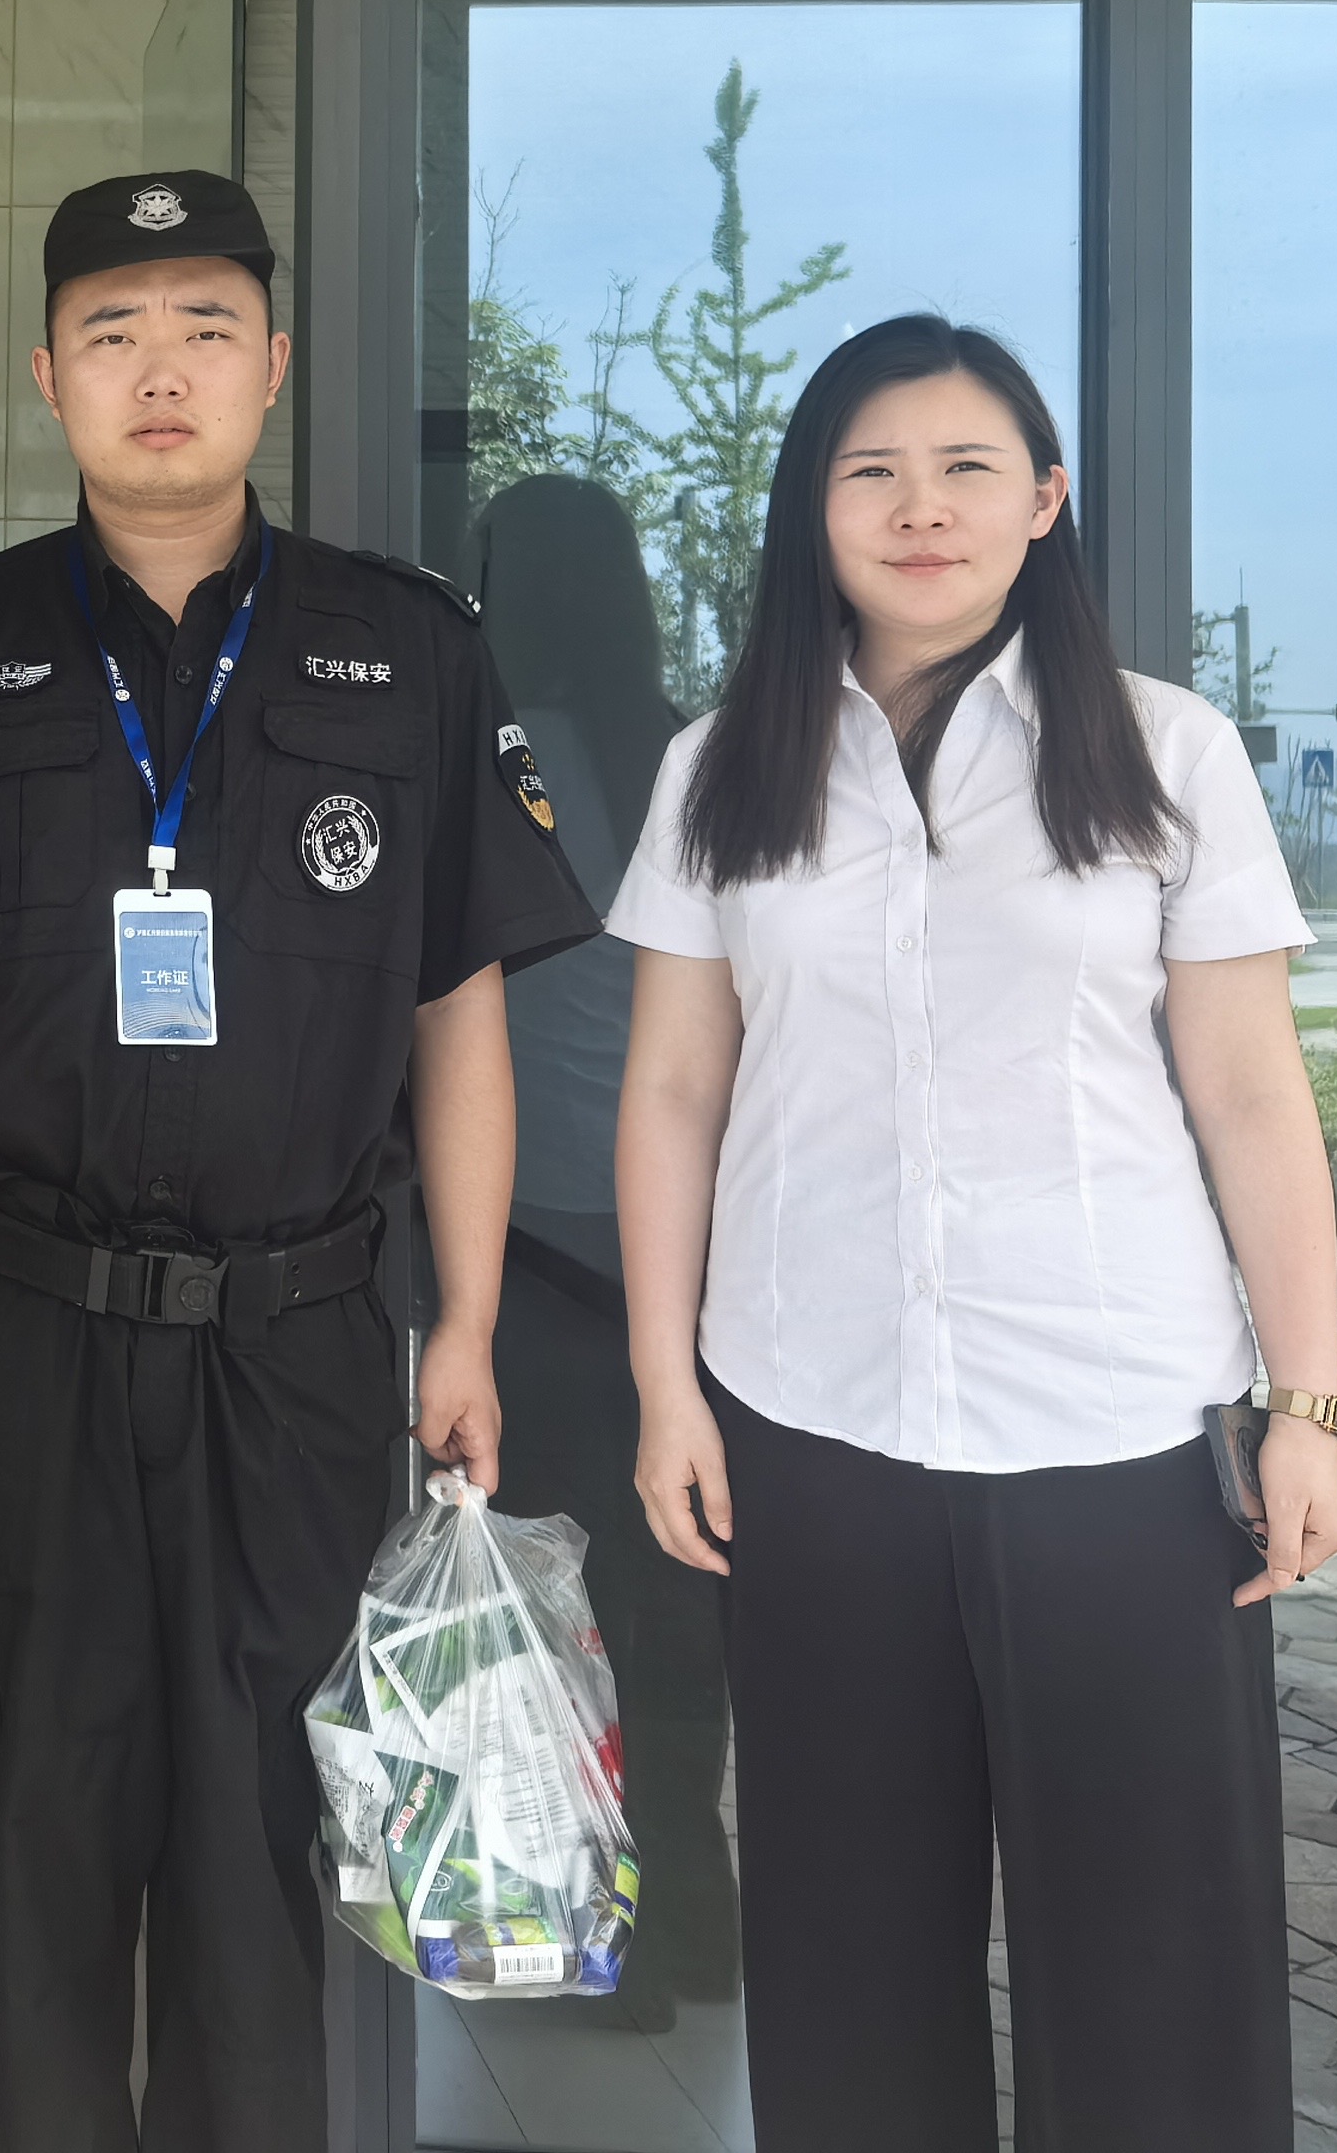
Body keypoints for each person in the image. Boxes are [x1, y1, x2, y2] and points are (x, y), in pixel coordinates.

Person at [0, 170, 594, 2148]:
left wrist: (464, 1323)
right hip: (20, 1323)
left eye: (204, 328)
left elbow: (456, 1016)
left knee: (259, 1831)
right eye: (114, 332)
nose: (160, 371)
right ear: (46, 372)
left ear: (273, 365)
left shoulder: (404, 651)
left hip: (296, 1338)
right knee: (41, 1821)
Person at [613, 313, 1337, 2153]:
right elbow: (676, 1093)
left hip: (1122, 1440)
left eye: (963, 469)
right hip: (814, 1424)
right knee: (847, 1966)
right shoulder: (722, 766)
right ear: (811, 509)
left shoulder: (1164, 749)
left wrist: (1310, 1401)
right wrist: (666, 1387)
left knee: (1156, 1976)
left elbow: (1252, 1091)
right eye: (870, 471)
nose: (918, 509)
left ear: (1044, 500)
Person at [465, 474, 734, 2026]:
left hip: (543, 1238)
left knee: (554, 1602)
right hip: (690, 1251)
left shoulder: (511, 764)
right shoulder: (686, 757)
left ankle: (596, 1943)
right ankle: (697, 1916)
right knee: (674, 1594)